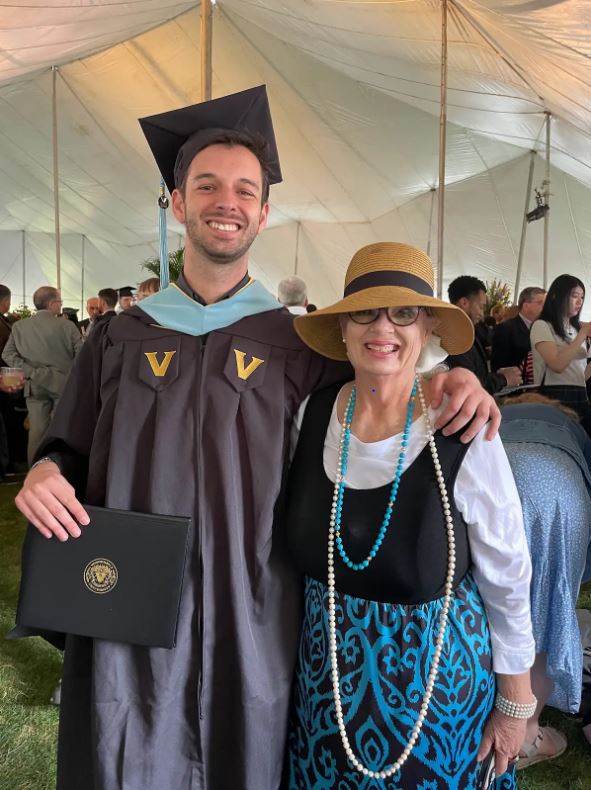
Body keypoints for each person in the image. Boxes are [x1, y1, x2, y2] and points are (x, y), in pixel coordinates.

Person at [13, 87, 500, 790]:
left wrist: (450, 378)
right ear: (177, 203)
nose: (227, 202)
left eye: (245, 190)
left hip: (254, 605)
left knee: (249, 749)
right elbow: (69, 445)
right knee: (125, 751)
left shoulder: (297, 345)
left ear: (264, 213)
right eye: (206, 185)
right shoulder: (119, 337)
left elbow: (383, 391)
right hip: (132, 601)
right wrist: (44, 470)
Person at [287, 242, 535, 788]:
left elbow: (508, 571)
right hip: (323, 692)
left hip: (438, 702)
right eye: (365, 312)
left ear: (427, 330)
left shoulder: (461, 424)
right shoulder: (311, 415)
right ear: (343, 328)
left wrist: (515, 700)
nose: (383, 327)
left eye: (404, 313)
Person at [500, 394, 591, 768]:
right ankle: (527, 736)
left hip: (494, 476)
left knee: (484, 605)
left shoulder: (499, 414)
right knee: (550, 606)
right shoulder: (569, 427)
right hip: (556, 489)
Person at [3, 286, 82, 463]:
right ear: (52, 303)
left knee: (37, 433)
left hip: (34, 385)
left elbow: (7, 354)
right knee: (62, 430)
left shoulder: (19, 326)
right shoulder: (67, 326)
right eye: (60, 301)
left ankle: (34, 470)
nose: (61, 305)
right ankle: (62, 470)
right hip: (63, 384)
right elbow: (82, 355)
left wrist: (29, 371)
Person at [530, 274, 591, 431]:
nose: (579, 302)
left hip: (581, 394)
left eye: (582, 297)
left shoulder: (576, 329)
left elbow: (581, 376)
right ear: (557, 296)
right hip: (554, 396)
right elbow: (557, 365)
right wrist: (583, 334)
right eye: (574, 296)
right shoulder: (542, 325)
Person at [447, 275, 522, 393]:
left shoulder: (466, 331)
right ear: (464, 303)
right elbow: (468, 385)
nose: (482, 314)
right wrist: (503, 378)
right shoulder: (455, 337)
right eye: (481, 307)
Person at [491, 287, 546, 383]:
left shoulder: (545, 329)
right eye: (540, 303)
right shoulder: (506, 329)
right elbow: (498, 367)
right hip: (518, 387)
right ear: (526, 306)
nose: (545, 307)